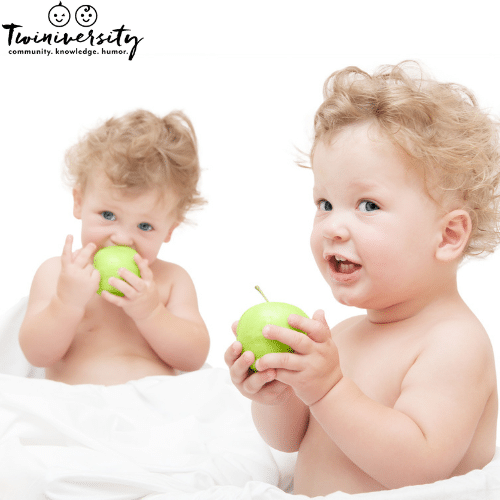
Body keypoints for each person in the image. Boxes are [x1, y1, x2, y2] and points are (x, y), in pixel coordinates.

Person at [225, 61, 500, 495]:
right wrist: (278, 394)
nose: (334, 226)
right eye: (325, 203)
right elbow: (290, 440)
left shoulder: (454, 344)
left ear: (448, 235)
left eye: (368, 205)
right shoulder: (344, 335)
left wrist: (329, 389)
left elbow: (419, 468)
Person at [20, 109, 210, 385]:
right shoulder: (57, 274)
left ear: (170, 229)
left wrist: (152, 312)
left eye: (145, 226)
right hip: (74, 410)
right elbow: (36, 355)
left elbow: (193, 358)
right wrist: (66, 302)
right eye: (108, 216)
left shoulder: (171, 281)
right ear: (79, 202)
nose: (121, 239)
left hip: (156, 410)